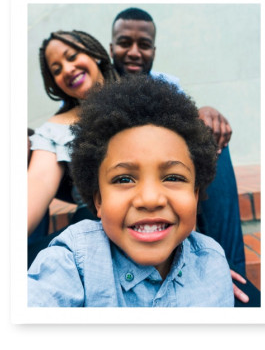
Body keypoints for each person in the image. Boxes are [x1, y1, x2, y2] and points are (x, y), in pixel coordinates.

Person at [28, 75, 234, 307]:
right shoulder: (74, 260)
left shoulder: (212, 263)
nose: (149, 199)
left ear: (195, 195)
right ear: (98, 200)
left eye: (173, 177)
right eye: (124, 178)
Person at [110, 8, 256, 304]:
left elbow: (188, 122)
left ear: (154, 49)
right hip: (127, 183)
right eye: (125, 43)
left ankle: (230, 270)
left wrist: (206, 113)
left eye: (144, 44)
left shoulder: (167, 86)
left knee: (211, 138)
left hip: (169, 177)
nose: (135, 52)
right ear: (112, 47)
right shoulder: (100, 86)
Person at [28, 30, 118, 240]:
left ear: (93, 53)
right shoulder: (54, 130)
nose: (67, 69)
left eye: (72, 56)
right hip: (92, 233)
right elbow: (37, 183)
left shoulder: (143, 96)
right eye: (57, 70)